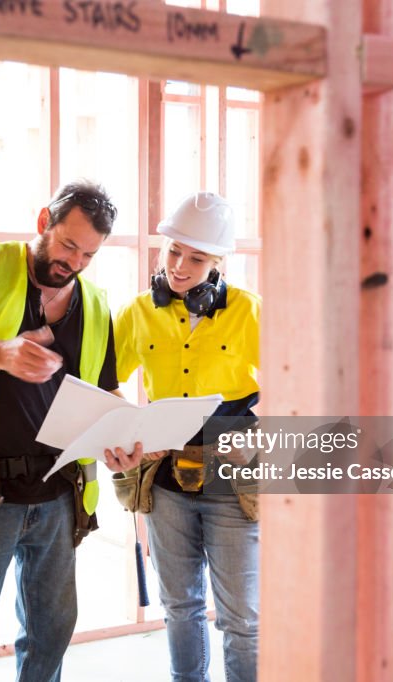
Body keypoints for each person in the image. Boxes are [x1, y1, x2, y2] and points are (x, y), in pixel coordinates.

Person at [0, 180, 141, 681]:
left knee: (52, 629)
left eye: (88, 254)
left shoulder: (94, 303)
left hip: (58, 492)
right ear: (43, 221)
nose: (73, 262)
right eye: (69, 245)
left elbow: (107, 390)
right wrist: (1, 352)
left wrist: (125, 436)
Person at [107, 192, 261, 682]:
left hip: (233, 483)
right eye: (173, 251)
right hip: (167, 482)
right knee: (180, 607)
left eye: (196, 258)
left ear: (218, 263)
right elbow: (103, 381)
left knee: (243, 619)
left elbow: (302, 380)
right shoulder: (137, 313)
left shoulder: (248, 311)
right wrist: (128, 430)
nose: (179, 266)